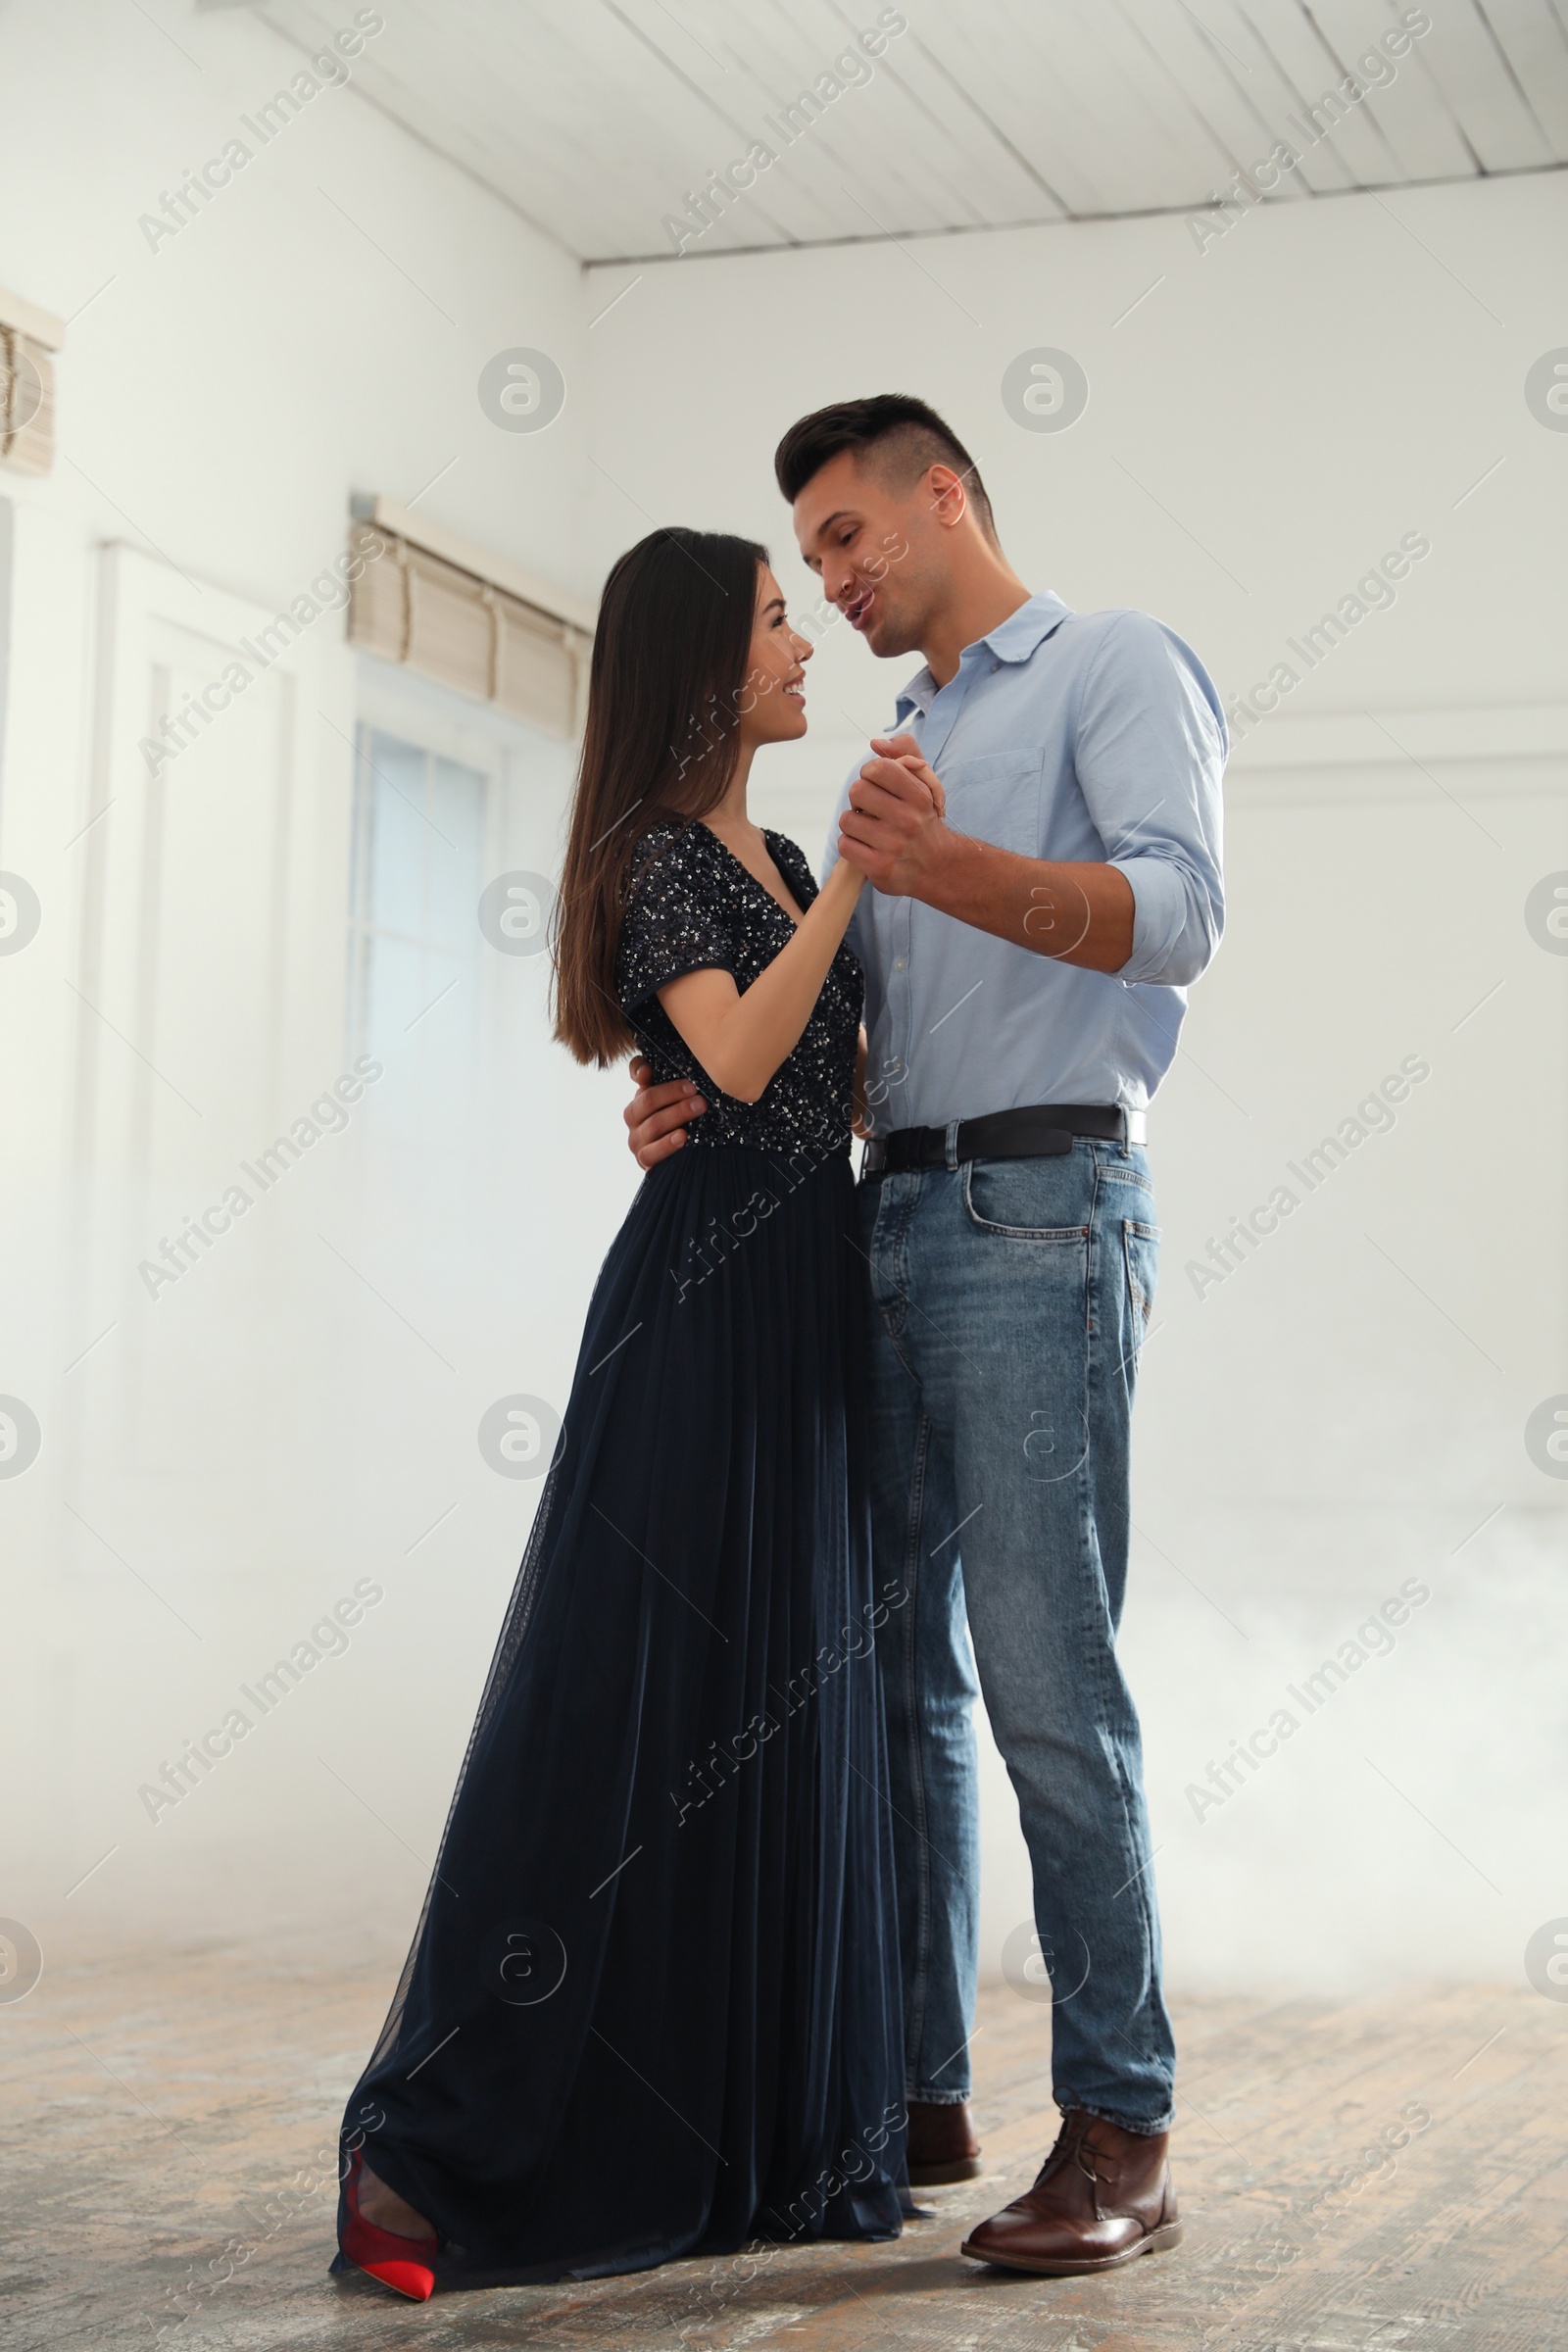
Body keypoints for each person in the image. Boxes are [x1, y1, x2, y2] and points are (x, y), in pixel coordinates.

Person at [627, 395, 1225, 2277]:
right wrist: (683, 1100)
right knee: (894, 1687)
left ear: (941, 493)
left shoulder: (1114, 664)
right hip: (878, 1223)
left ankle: (1121, 2128)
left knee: (1051, 1688)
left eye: (839, 535)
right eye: (806, 560)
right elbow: (835, 1039)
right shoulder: (900, 739)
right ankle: (916, 2086)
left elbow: (1185, 918)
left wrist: (942, 868)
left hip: (1042, 1214)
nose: (829, 577)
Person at [332, 528, 915, 2299]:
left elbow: (835, 1090)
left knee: (780, 1695)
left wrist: (861, 899)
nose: (803, 638)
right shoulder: (662, 856)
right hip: (699, 1307)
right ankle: (428, 2155)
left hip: (806, 1292)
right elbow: (734, 1062)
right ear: (700, 666)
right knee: (626, 1704)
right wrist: (852, 896)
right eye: (771, 618)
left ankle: (748, 2135)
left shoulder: (796, 851)